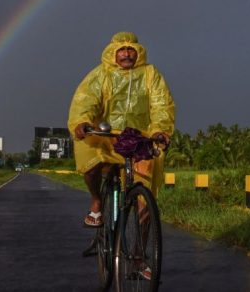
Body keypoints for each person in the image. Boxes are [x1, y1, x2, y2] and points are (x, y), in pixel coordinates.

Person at [68, 31, 175, 228]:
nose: (127, 54)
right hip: (105, 137)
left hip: (139, 138)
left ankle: (140, 254)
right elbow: (86, 100)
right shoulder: (100, 74)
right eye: (122, 50)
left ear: (138, 52)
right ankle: (96, 200)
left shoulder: (151, 74)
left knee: (145, 197)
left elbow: (162, 105)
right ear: (113, 53)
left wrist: (160, 130)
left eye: (131, 49)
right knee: (91, 165)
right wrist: (82, 121)